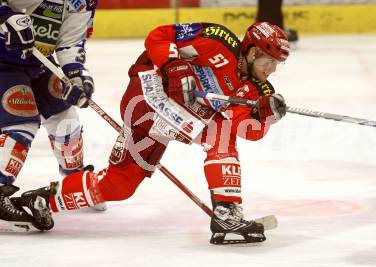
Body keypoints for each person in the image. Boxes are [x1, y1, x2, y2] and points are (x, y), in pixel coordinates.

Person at [11, 21, 290, 244]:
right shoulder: (216, 39)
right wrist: (173, 65)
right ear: (253, 52)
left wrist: (263, 115)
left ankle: (43, 200)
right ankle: (227, 212)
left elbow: (248, 131)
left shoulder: (258, 91)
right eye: (269, 61)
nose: (272, 70)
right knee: (220, 130)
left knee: (119, 185)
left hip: (177, 118)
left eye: (277, 65)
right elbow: (159, 35)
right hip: (145, 99)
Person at [0, 0, 98, 230]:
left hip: (38, 63)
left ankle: (74, 178)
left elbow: (70, 41)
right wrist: (3, 16)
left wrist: (75, 74)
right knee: (22, 121)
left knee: (66, 118)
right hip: (2, 62)